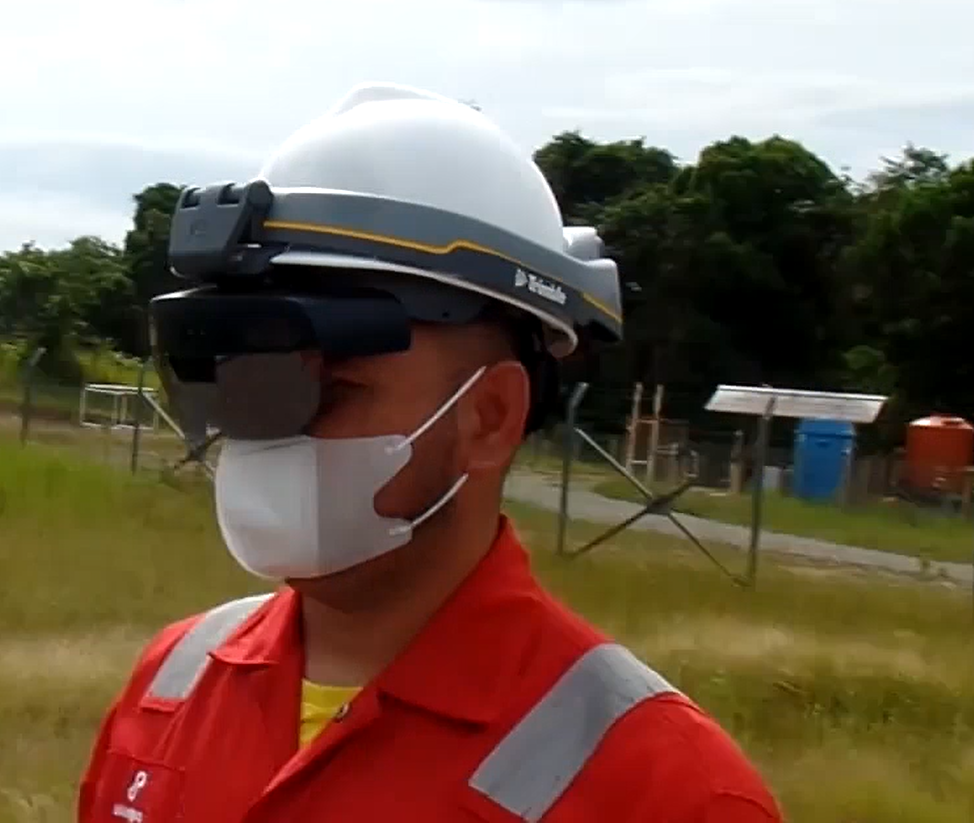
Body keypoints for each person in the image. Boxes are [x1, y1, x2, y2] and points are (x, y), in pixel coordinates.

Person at [76, 83, 783, 822]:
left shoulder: (664, 790)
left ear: (488, 415)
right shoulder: (172, 681)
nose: (264, 432)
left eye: (328, 389)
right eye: (247, 385)